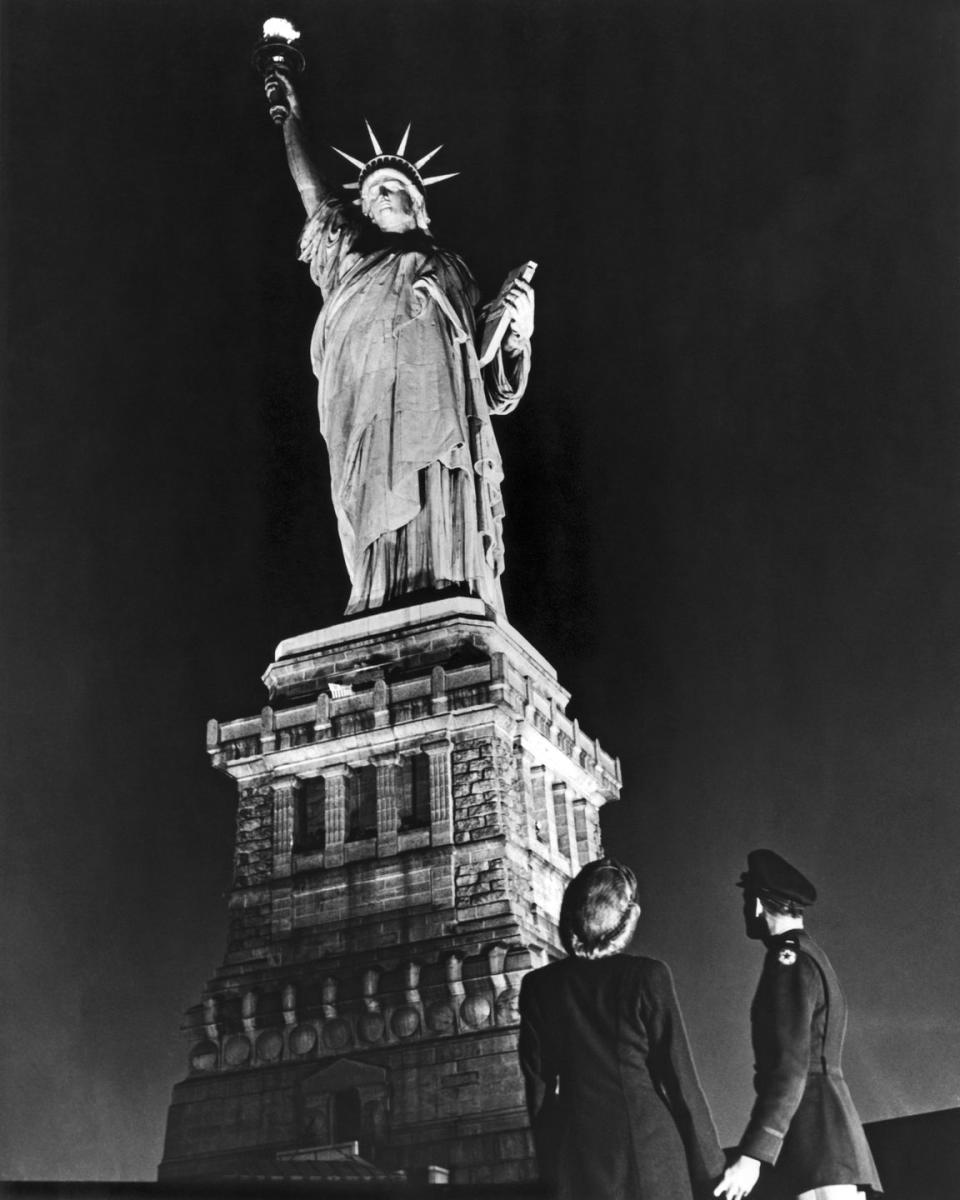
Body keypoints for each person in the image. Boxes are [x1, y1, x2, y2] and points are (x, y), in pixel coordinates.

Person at [265, 72, 535, 615]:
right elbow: (313, 196)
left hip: (435, 416)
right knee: (370, 502)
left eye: (390, 188)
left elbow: (485, 384)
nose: (377, 198)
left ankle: (446, 587)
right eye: (368, 194)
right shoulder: (350, 265)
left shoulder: (450, 268)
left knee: (436, 488)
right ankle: (378, 597)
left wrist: (515, 333)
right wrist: (291, 121)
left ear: (417, 203)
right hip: (363, 411)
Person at [518, 858, 725, 1200]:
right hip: (651, 1155)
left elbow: (538, 1088)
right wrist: (711, 1170)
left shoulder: (539, 986)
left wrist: (553, 1169)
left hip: (578, 1161)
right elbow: (679, 1081)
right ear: (627, 918)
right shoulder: (648, 977)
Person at [714, 849, 883, 1200]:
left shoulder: (787, 961)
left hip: (815, 1136)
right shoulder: (810, 955)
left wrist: (753, 1155)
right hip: (829, 1137)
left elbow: (790, 1068)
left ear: (758, 904)